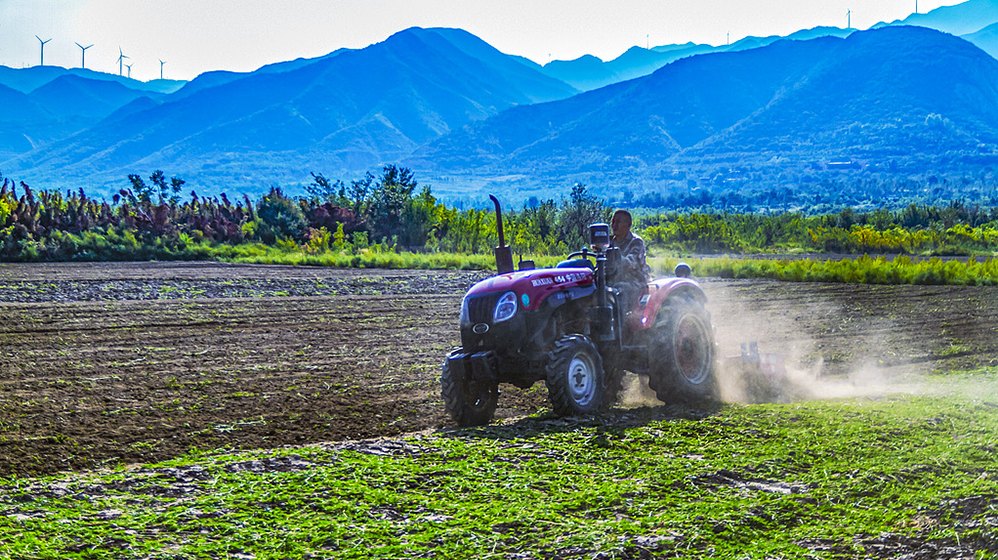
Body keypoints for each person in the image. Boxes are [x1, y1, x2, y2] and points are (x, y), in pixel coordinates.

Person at [609, 209, 651, 315]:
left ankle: (620, 327)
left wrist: (615, 257)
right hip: (613, 280)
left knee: (620, 289)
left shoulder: (636, 242)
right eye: (613, 221)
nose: (614, 225)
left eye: (618, 222)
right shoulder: (608, 242)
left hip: (636, 282)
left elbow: (632, 263)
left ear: (628, 224)